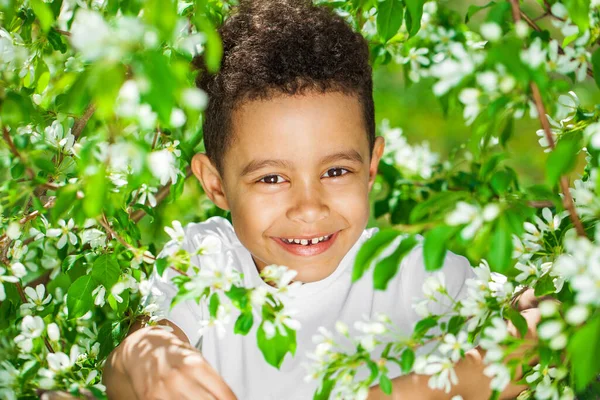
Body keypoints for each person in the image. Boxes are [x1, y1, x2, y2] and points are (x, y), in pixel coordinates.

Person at [102, 0, 540, 399]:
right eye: (272, 178)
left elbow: (537, 341)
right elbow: (126, 366)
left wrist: (409, 392)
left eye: (335, 172)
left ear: (370, 168)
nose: (309, 208)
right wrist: (150, 356)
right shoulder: (206, 259)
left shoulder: (414, 272)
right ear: (215, 184)